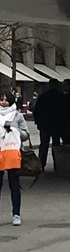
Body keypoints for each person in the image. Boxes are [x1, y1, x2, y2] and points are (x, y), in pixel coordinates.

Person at [0, 90, 30, 226]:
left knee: (14, 186)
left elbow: (26, 134)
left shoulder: (17, 116)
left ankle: (16, 214)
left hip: (12, 153)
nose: (4, 102)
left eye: (6, 100)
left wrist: (14, 130)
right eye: (1, 99)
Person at [32, 81, 63, 170]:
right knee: (56, 145)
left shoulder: (43, 96)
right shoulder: (60, 96)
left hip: (44, 125)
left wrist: (38, 123)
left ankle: (41, 164)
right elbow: (63, 111)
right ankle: (57, 165)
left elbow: (36, 111)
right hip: (56, 124)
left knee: (44, 145)